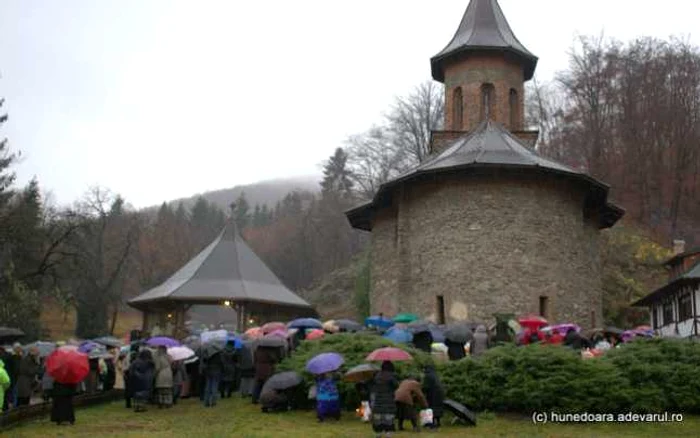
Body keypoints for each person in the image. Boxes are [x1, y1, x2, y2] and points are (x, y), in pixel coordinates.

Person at [370, 361, 398, 438]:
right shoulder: (392, 376)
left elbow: (372, 386)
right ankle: (388, 435)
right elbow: (396, 386)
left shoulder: (376, 375)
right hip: (389, 401)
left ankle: (378, 434)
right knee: (388, 421)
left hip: (378, 401)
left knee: (378, 420)